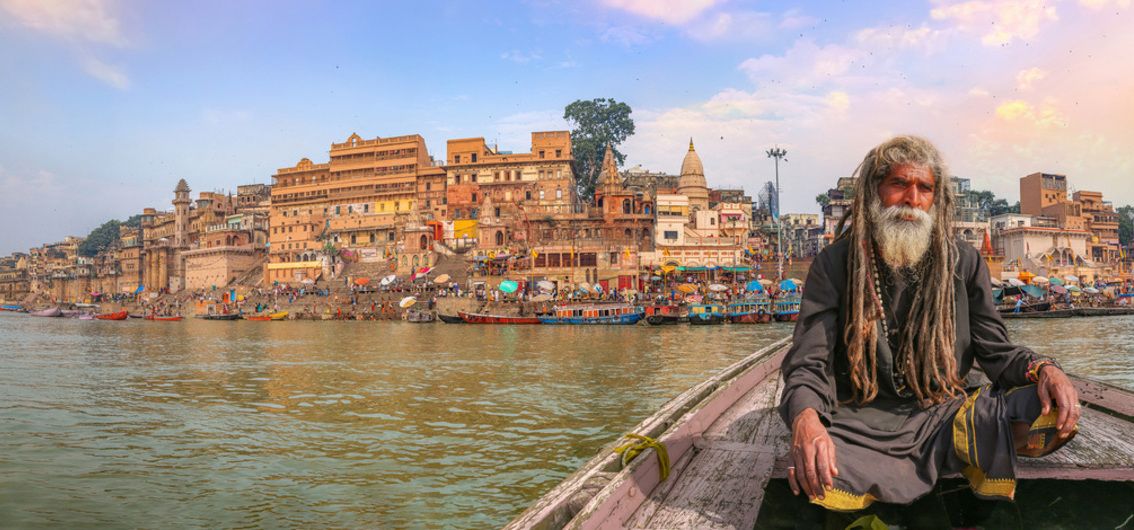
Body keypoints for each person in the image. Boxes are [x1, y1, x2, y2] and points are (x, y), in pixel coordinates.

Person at [779, 136, 1080, 518]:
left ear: (936, 199)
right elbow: (809, 361)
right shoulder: (835, 263)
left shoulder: (964, 261)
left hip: (944, 412)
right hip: (859, 420)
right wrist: (806, 420)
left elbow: (996, 352)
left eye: (925, 188)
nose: (912, 199)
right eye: (899, 184)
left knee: (1054, 409)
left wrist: (1046, 369)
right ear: (875, 192)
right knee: (820, 464)